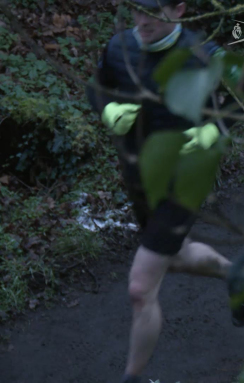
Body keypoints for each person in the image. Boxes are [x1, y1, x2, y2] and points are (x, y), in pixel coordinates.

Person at [86, 1, 244, 382]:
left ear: (179, 9)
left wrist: (211, 133)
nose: (142, 21)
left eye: (153, 13)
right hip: (139, 182)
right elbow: (97, 88)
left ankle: (133, 377)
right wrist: (107, 110)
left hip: (183, 187)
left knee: (141, 288)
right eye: (136, 10)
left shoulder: (203, 55)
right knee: (174, 257)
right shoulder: (119, 48)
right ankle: (235, 274)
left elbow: (237, 107)